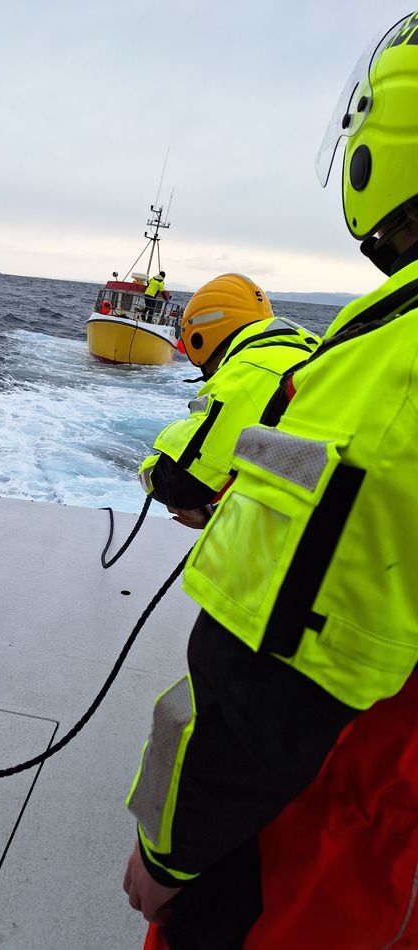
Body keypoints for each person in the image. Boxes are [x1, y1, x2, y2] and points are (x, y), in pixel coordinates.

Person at [124, 13, 418, 949]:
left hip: (348, 804)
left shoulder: (389, 366)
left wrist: (170, 857)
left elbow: (265, 680)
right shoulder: (317, 341)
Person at [138, 273, 319, 529]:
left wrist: (147, 472)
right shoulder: (314, 354)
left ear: (200, 337)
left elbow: (179, 483)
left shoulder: (246, 373)